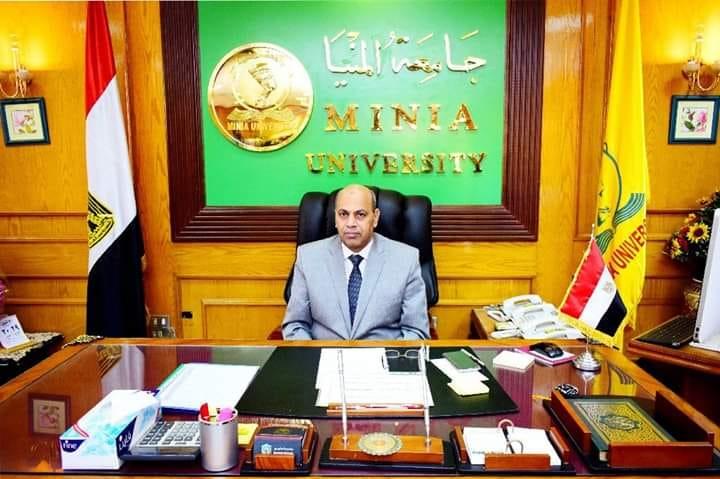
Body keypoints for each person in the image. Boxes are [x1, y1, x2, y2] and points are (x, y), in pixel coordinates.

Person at [282, 184, 429, 340]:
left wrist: (391, 355)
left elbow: (415, 331)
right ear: (335, 217)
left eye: (360, 214)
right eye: (343, 214)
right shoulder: (308, 257)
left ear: (375, 217)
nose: (350, 223)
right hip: (324, 352)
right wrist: (313, 354)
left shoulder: (406, 259)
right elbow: (295, 325)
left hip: (383, 353)